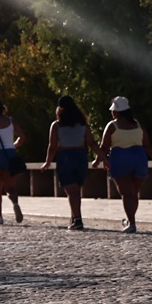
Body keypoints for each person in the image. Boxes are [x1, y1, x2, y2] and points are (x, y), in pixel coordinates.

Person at [94, 96, 152, 233]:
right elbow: (147, 145)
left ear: (115, 112)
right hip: (139, 158)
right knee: (134, 193)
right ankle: (130, 219)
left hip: (120, 158)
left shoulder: (112, 126)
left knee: (126, 193)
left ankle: (131, 223)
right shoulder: (138, 125)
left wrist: (98, 160)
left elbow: (104, 147)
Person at [39, 96, 105, 231]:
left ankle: (78, 219)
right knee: (76, 190)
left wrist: (47, 162)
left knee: (72, 191)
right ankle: (74, 216)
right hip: (80, 156)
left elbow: (52, 146)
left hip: (65, 157)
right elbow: (91, 143)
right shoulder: (82, 125)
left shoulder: (56, 126)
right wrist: (104, 158)